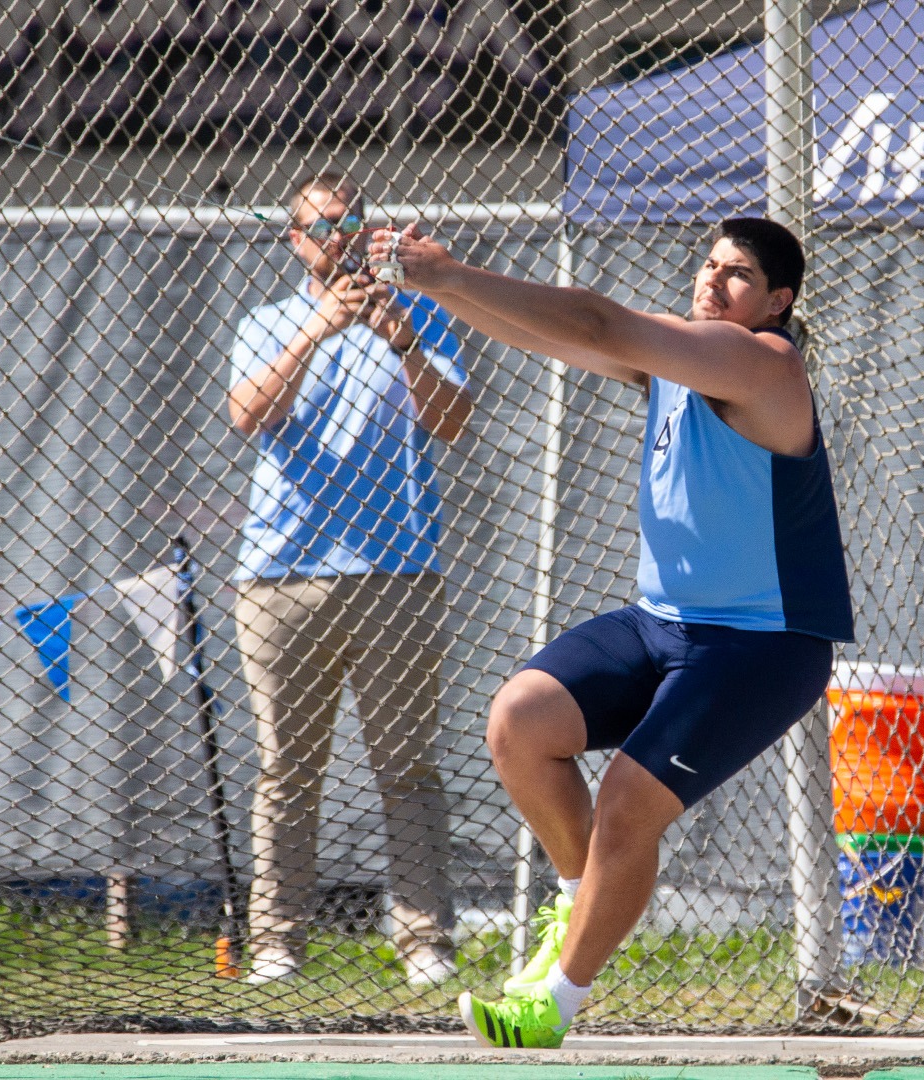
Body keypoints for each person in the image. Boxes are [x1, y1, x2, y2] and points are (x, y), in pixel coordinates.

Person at [366, 217, 852, 1045]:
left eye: (736, 274)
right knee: (520, 722)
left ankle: (553, 1004)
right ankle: (578, 897)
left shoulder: (762, 360)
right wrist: (433, 289)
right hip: (662, 625)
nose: (711, 280)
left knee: (628, 803)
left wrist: (448, 275)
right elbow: (552, 337)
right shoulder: (677, 362)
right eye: (707, 264)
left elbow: (594, 321)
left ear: (778, 301)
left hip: (762, 646)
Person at [226, 173, 474, 987]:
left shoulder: (422, 314)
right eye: (321, 227)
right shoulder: (267, 323)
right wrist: (318, 332)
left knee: (406, 768)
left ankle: (425, 942)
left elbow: (452, 422)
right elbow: (249, 416)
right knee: (287, 770)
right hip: (282, 575)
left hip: (398, 571)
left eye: (350, 223)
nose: (337, 237)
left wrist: (399, 338)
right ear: (293, 241)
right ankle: (276, 946)